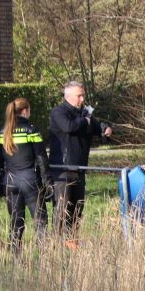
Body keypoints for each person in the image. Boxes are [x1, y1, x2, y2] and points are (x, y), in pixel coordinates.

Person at [45, 81, 113, 233]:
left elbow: (96, 126)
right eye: (79, 96)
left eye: (83, 95)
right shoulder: (58, 112)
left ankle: (72, 242)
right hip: (63, 169)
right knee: (62, 210)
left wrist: (105, 129)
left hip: (80, 170)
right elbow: (68, 127)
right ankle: (57, 245)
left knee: (77, 210)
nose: (82, 99)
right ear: (68, 97)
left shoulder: (85, 114)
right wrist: (85, 120)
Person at [0, 97, 50, 256]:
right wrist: (47, 181)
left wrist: (1, 182)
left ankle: (16, 257)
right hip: (29, 180)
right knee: (40, 220)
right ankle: (43, 257)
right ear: (25, 111)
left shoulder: (1, 133)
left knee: (16, 222)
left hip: (10, 181)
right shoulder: (31, 131)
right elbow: (41, 158)